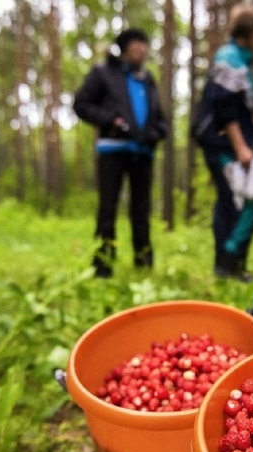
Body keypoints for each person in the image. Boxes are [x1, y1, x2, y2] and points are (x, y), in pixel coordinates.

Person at [73, 28, 169, 278]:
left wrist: (157, 132)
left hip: (143, 153)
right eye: (136, 44)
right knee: (108, 208)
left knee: (142, 210)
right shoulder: (104, 73)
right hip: (112, 150)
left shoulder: (148, 80)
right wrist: (111, 121)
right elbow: (81, 104)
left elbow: (160, 118)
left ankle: (144, 263)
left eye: (144, 44)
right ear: (125, 48)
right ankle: (103, 266)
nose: (141, 49)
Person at [198, 4, 253, 282]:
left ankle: (231, 266)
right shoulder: (229, 57)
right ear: (251, 31)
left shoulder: (239, 59)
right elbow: (223, 106)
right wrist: (240, 146)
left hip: (229, 145)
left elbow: (235, 106)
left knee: (232, 202)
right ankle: (228, 265)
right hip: (224, 147)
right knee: (245, 204)